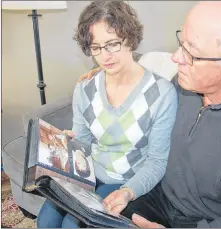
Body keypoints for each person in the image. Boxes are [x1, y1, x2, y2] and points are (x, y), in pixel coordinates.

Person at [79, 1, 221, 228]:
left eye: (192, 53)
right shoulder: (185, 84)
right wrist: (112, 76)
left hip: (201, 223)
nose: (176, 57)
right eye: (182, 42)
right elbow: (146, 98)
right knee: (87, 218)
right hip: (156, 195)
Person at [37, 1, 177, 228]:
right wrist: (65, 147)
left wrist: (128, 192)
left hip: (128, 181)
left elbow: (157, 161)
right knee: (46, 219)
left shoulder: (161, 94)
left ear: (130, 39)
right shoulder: (85, 89)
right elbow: (82, 142)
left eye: (112, 44)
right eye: (96, 48)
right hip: (90, 173)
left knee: (73, 224)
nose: (105, 56)